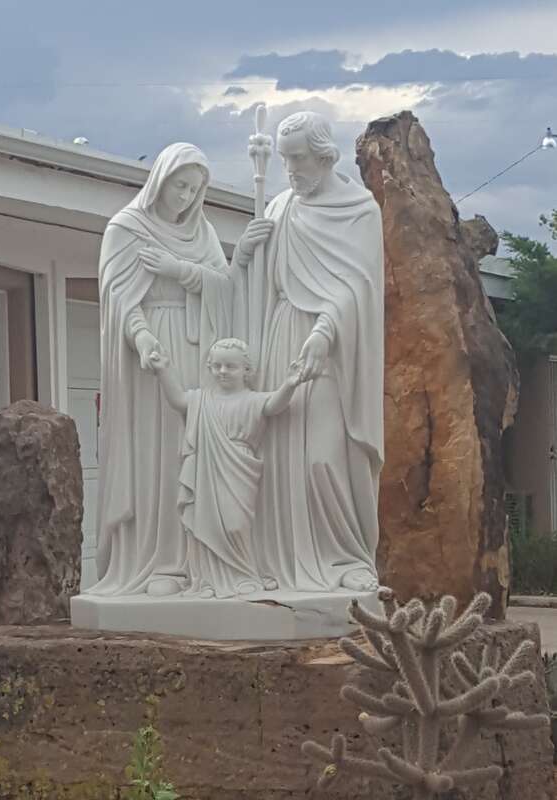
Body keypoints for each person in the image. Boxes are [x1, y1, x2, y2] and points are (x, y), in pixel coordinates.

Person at [233, 111, 384, 593]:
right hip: (282, 335)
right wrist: (247, 253)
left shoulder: (360, 210)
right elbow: (261, 288)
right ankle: (277, 561)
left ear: (324, 156)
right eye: (282, 159)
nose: (290, 170)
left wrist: (324, 332)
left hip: (330, 343)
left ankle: (344, 557)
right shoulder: (279, 208)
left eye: (297, 159)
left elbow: (357, 285)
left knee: (322, 456)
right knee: (278, 455)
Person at [92, 143, 234, 597]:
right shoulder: (126, 229)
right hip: (149, 359)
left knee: (188, 451)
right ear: (160, 179)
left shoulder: (204, 234)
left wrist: (181, 269)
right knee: (155, 453)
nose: (186, 197)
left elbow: (226, 288)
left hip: (196, 352)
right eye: (180, 185)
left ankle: (192, 560)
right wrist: (142, 337)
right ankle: (153, 560)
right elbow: (119, 301)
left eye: (194, 189)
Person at [148, 338, 309, 598]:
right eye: (217, 366)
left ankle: (244, 575)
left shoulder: (253, 400)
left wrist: (290, 384)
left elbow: (274, 405)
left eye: (231, 366)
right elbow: (177, 400)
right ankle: (207, 581)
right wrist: (163, 369)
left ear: (247, 371)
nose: (222, 371)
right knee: (202, 524)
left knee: (236, 524)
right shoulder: (201, 399)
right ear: (210, 367)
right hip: (206, 465)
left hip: (239, 466)